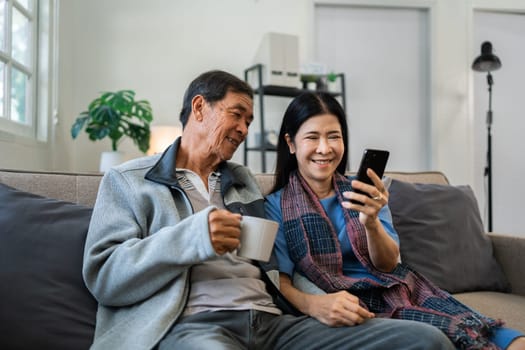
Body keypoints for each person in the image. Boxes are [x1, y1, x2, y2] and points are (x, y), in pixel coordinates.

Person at [83, 70, 456, 350]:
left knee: (425, 341)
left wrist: (317, 304)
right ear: (200, 107)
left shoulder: (242, 180)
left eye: (249, 121)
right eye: (237, 115)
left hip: (274, 324)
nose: (244, 129)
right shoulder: (130, 180)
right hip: (197, 326)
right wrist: (192, 237)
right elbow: (103, 277)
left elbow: (277, 266)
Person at [265, 91, 525, 350]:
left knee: (508, 339)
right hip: (356, 306)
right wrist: (314, 305)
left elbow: (389, 264)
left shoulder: (365, 191)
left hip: (400, 289)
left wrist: (371, 222)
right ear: (291, 143)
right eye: (312, 137)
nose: (325, 148)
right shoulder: (277, 205)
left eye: (334, 136)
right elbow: (281, 280)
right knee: (438, 339)